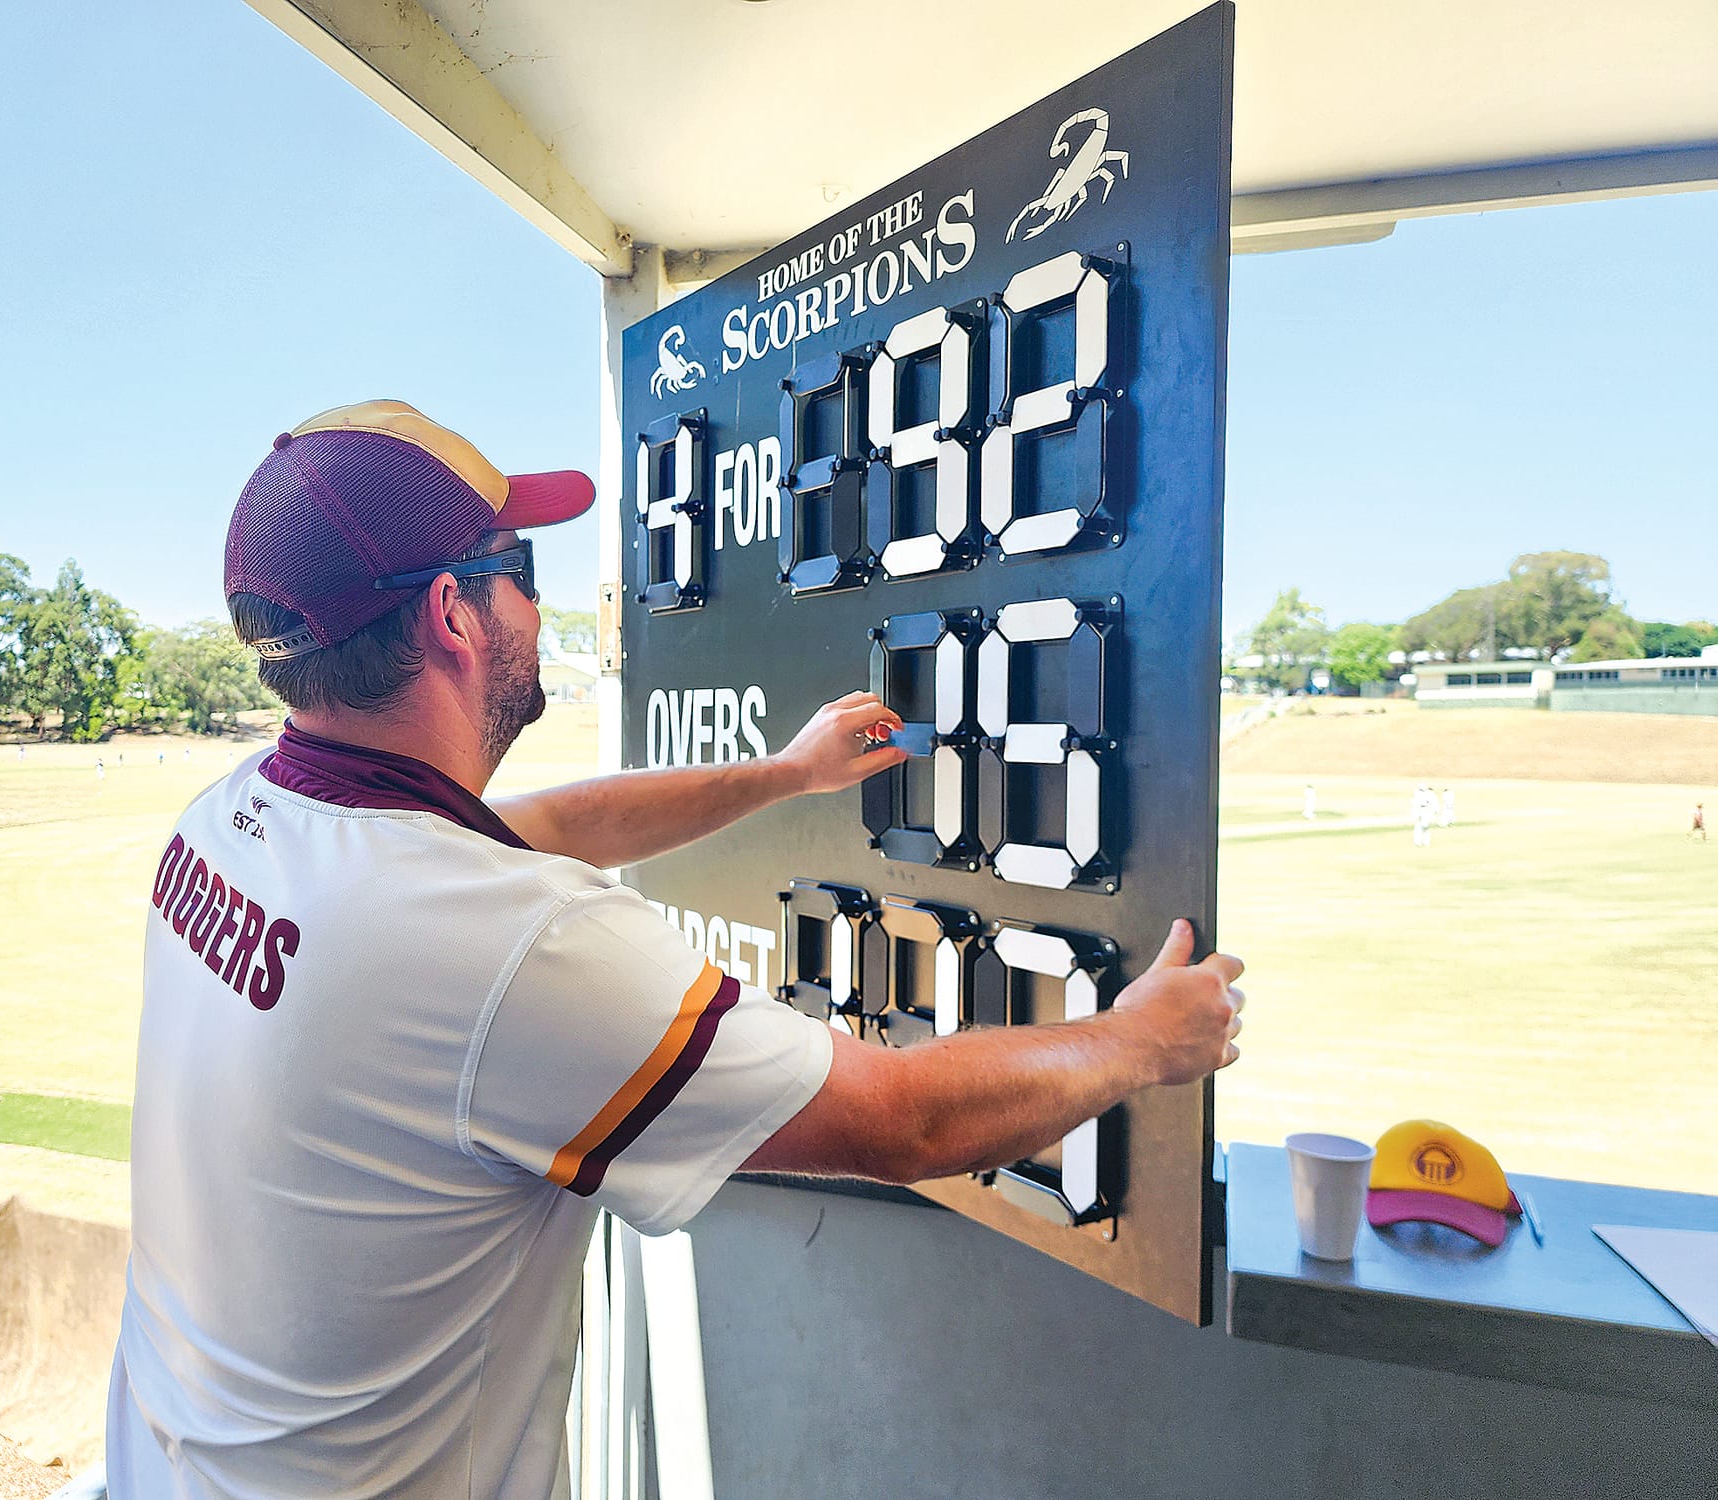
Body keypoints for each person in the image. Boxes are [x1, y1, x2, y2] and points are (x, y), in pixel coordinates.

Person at [106, 401, 1245, 1500]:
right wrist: (1139, 1040)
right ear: (454, 614)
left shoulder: (239, 819)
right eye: (520, 570)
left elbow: (558, 823)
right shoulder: (507, 944)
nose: (537, 609)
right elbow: (905, 1121)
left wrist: (789, 773)